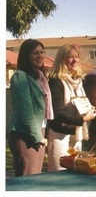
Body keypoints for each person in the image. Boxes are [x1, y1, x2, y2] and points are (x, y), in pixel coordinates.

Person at [47, 44, 96, 171]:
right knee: (58, 176)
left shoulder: (80, 81)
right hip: (60, 136)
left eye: (76, 57)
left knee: (75, 175)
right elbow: (58, 113)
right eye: (70, 57)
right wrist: (83, 119)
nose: (75, 60)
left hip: (76, 137)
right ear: (61, 60)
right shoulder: (55, 81)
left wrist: (89, 109)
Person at [8, 39, 50, 176]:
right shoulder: (20, 77)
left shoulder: (40, 77)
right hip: (25, 135)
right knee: (28, 178)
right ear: (26, 55)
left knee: (35, 176)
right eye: (35, 53)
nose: (40, 56)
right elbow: (25, 111)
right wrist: (37, 137)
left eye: (42, 52)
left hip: (38, 132)